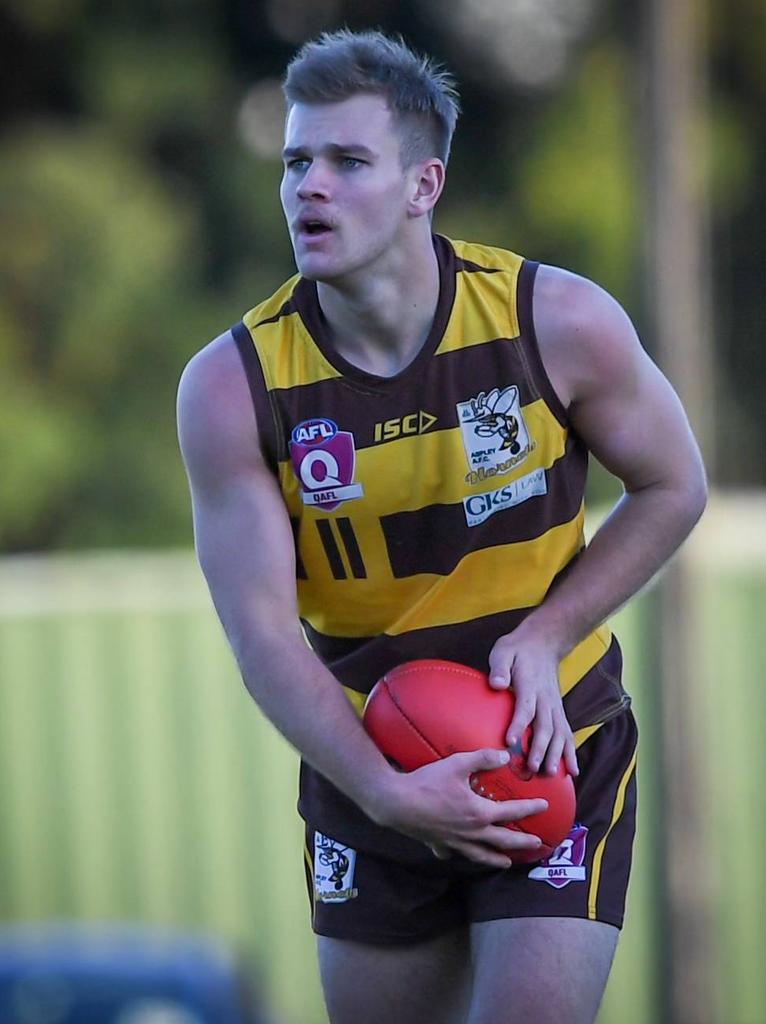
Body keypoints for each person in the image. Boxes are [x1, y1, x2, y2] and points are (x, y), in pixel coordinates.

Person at [177, 29, 707, 1024]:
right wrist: (382, 789)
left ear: (424, 185)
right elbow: (258, 630)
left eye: (346, 160)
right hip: (367, 770)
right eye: (296, 161)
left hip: (555, 750)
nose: (308, 187)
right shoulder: (230, 387)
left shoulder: (556, 323)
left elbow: (675, 484)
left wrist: (547, 636)